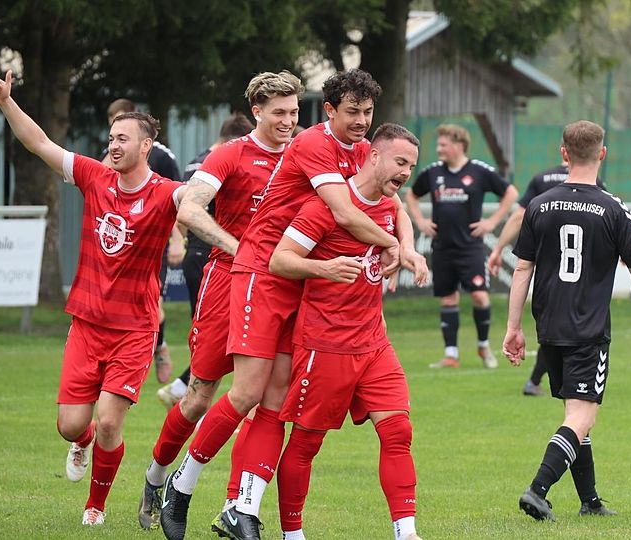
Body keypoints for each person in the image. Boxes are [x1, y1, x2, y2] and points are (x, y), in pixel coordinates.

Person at [159, 69, 427, 540]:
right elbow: (342, 212)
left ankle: (240, 508)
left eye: (368, 112)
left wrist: (403, 244)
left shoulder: (367, 151)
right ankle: (182, 483)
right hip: (264, 271)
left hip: (302, 281)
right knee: (242, 392)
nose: (362, 121)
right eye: (353, 112)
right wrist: (392, 245)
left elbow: (395, 204)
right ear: (329, 112)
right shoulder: (313, 144)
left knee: (276, 400)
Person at [0, 71, 187, 526]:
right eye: (110, 137)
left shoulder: (167, 194)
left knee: (112, 422)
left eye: (122, 139)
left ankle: (95, 507)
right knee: (72, 426)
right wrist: (5, 103)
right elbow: (40, 143)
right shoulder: (96, 177)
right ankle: (82, 440)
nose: (112, 145)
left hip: (134, 330)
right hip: (86, 324)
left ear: (145, 147)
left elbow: (199, 203)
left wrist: (190, 232)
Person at [135, 71, 302, 531]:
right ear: (258, 112)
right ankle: (156, 477)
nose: (289, 121)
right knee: (199, 396)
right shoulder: (229, 154)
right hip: (228, 281)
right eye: (280, 113)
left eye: (294, 112)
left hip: (283, 284)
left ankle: (238, 505)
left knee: (261, 396)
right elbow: (188, 208)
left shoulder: (305, 152)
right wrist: (238, 247)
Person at [502, 120, 631, 522]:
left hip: (550, 327)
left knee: (577, 417)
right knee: (581, 416)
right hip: (588, 331)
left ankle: (590, 501)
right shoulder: (614, 208)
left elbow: (522, 269)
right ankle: (537, 491)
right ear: (602, 154)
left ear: (563, 154)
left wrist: (513, 328)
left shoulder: (540, 204)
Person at [268, 123, 424, 540]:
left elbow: (400, 217)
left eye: (412, 165)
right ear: (373, 156)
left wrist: (407, 250)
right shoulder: (325, 208)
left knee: (398, 431)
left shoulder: (389, 208)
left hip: (373, 342)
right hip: (325, 345)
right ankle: (292, 533)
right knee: (306, 442)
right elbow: (280, 260)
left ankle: (406, 532)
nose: (406, 172)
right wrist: (324, 268)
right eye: (400, 162)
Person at [156, 112, 255, 410]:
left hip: (197, 252)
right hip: (213, 256)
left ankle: (184, 389)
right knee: (225, 336)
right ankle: (191, 395)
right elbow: (186, 208)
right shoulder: (219, 161)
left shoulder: (195, 160)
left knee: (216, 336)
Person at [405, 123, 518, 369]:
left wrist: (491, 222)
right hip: (442, 248)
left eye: (443, 145)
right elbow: (411, 195)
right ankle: (451, 355)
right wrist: (420, 221)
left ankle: (483, 345)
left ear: (458, 145)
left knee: (479, 296)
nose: (439, 149)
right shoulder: (433, 173)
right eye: (439, 144)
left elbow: (510, 193)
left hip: (471, 248)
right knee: (447, 299)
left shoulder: (478, 171)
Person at [489, 159, 605, 396]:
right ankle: (558, 392)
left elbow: (518, 217)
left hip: (548, 281)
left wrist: (498, 248)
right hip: (582, 287)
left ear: (564, 151)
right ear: (598, 154)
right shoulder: (595, 183)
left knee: (554, 334)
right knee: (572, 342)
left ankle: (538, 383)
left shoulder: (541, 179)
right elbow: (607, 221)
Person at [105, 98, 183, 386]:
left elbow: (176, 201)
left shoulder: (162, 158)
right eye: (113, 123)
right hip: (118, 240)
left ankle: (158, 348)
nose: (116, 136)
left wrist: (176, 240)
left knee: (154, 303)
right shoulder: (111, 155)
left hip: (152, 244)